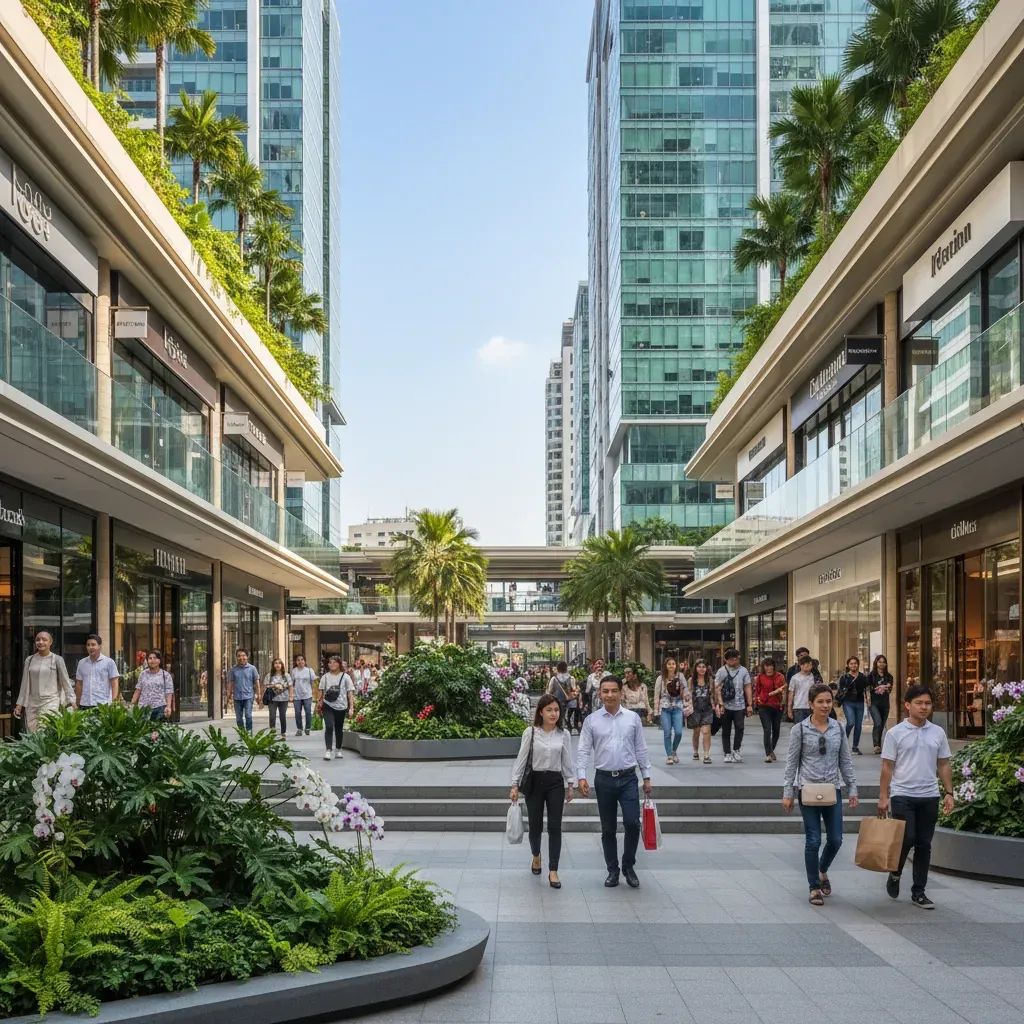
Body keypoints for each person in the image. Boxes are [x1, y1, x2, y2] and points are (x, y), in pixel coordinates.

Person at [782, 683, 859, 906]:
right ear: (810, 704)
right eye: (820, 702)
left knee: (836, 839)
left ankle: (822, 868)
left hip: (831, 789)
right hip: (807, 789)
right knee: (813, 839)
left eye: (828, 701)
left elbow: (845, 760)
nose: (825, 706)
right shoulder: (800, 729)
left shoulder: (838, 727)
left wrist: (852, 787)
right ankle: (814, 886)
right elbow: (791, 763)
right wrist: (788, 791)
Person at [878, 685, 954, 909]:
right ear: (907, 705)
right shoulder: (895, 733)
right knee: (907, 838)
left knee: (924, 844)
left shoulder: (937, 732)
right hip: (903, 794)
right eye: (919, 703)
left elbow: (944, 764)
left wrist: (949, 792)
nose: (924, 707)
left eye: (928, 703)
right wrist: (884, 797)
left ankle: (919, 891)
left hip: (929, 795)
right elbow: (887, 767)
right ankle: (895, 872)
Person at [576, 676, 652, 889]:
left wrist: (646, 776)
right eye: (605, 691)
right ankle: (612, 869)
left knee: (632, 823)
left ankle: (629, 865)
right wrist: (581, 775)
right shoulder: (592, 720)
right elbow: (583, 749)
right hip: (604, 779)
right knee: (608, 828)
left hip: (628, 778)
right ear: (599, 693)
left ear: (621, 693)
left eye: (614, 691)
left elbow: (641, 748)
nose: (609, 695)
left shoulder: (632, 719)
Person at [509, 694, 575, 889]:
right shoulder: (530, 732)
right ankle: (536, 855)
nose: (554, 714)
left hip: (555, 782)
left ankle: (553, 870)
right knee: (535, 825)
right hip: (534, 782)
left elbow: (567, 760)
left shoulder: (564, 735)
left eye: (556, 710)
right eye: (549, 710)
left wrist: (570, 784)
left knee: (555, 827)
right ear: (541, 712)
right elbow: (521, 759)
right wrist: (514, 785)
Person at [14, 631, 75, 732]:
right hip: (32, 703)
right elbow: (24, 683)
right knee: (33, 733)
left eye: (44, 639)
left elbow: (66, 682)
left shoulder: (57, 660)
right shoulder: (29, 660)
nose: (40, 642)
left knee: (44, 730)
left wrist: (71, 700)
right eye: (38, 639)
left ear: (50, 642)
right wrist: (19, 705)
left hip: (50, 701)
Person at [714, 648, 752, 763]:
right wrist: (720, 704)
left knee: (740, 728)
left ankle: (736, 749)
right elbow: (717, 688)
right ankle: (727, 753)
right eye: (730, 659)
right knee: (726, 730)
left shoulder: (743, 671)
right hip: (725, 705)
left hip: (740, 706)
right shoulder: (722, 671)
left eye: (735, 659)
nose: (733, 662)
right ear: (726, 660)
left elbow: (748, 687)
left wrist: (749, 704)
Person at [319, 654, 355, 761]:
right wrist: (319, 703)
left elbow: (350, 693)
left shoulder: (346, 677)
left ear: (339, 664)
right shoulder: (325, 677)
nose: (332, 664)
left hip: (341, 706)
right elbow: (321, 692)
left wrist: (351, 707)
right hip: (328, 705)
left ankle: (338, 749)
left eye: (334, 662)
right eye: (330, 662)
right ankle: (328, 750)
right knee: (329, 726)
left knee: (339, 729)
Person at [653, 656, 686, 764]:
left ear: (676, 665)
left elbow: (685, 691)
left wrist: (687, 698)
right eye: (669, 664)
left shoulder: (680, 676)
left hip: (677, 707)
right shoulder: (660, 678)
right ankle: (669, 756)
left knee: (678, 732)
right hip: (665, 708)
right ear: (665, 666)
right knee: (667, 733)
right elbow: (656, 695)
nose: (671, 666)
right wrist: (656, 711)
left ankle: (673, 751)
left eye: (673, 664)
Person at [754, 656, 787, 763]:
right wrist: (756, 702)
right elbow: (757, 691)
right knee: (767, 730)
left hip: (777, 706)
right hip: (764, 706)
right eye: (766, 666)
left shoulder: (780, 676)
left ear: (774, 666)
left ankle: (771, 749)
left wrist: (784, 702)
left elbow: (784, 690)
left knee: (776, 731)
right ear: (764, 667)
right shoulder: (760, 677)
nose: (769, 668)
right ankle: (768, 754)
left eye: (771, 666)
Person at [75, 633, 120, 709]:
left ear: (99, 646)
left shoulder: (109, 662)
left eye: (93, 645)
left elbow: (114, 683)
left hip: (103, 704)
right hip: (85, 704)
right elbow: (79, 683)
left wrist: (114, 702)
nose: (90, 647)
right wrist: (77, 702)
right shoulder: (82, 663)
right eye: (88, 645)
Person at [837, 656, 869, 754]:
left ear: (858, 665)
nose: (853, 665)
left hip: (859, 703)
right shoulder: (844, 677)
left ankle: (855, 747)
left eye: (855, 663)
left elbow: (866, 689)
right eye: (851, 663)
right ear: (848, 665)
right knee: (851, 722)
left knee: (858, 726)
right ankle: (843, 743)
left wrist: (868, 699)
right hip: (848, 702)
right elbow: (840, 690)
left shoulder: (863, 677)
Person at [131, 649, 174, 721]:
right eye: (150, 658)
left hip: (159, 708)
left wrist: (168, 707)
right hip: (143, 708)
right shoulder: (143, 674)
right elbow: (138, 690)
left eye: (155, 658)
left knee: (157, 731)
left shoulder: (165, 675)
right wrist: (132, 704)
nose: (152, 660)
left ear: (159, 660)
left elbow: (169, 692)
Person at [687, 659, 715, 763]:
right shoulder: (691, 680)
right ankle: (695, 751)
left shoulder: (710, 680)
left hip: (707, 708)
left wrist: (715, 706)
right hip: (695, 709)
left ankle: (706, 755)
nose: (702, 669)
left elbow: (713, 695)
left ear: (707, 668)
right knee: (696, 732)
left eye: (704, 667)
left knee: (706, 731)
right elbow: (687, 695)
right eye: (699, 667)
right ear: (695, 668)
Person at [227, 649, 259, 734]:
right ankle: (242, 733)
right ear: (236, 657)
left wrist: (259, 695)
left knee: (248, 715)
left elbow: (257, 682)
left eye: (243, 655)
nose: (241, 657)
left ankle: (248, 732)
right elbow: (230, 683)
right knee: (238, 718)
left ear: (247, 657)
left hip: (249, 696)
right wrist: (228, 696)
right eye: (239, 656)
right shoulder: (233, 669)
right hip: (237, 697)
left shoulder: (252, 668)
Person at [866, 655, 894, 754]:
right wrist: (868, 699)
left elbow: (889, 689)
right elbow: (868, 689)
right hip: (874, 703)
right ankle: (876, 745)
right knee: (877, 722)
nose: (881, 664)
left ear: (886, 664)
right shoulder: (871, 676)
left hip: (885, 704)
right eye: (879, 661)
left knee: (881, 725)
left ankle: (878, 745)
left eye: (883, 662)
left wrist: (884, 687)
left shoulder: (889, 676)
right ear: (876, 663)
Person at [262, 658, 292, 736]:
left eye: (279, 663)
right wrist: (274, 685)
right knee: (272, 715)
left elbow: (290, 686)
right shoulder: (269, 675)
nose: (277, 665)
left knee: (282, 716)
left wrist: (291, 696)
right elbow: (265, 685)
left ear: (282, 665)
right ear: (273, 665)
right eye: (275, 663)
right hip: (272, 699)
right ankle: (272, 731)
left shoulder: (286, 675)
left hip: (284, 699)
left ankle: (283, 732)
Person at [547, 661, 579, 732]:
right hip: (569, 701)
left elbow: (550, 691)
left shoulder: (554, 679)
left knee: (560, 715)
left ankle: (561, 727)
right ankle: (568, 727)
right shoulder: (571, 678)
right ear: (566, 668)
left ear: (558, 669)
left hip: (557, 701)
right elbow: (574, 689)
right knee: (567, 715)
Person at [291, 654, 317, 735]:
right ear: (296, 662)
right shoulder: (294, 671)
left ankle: (307, 728)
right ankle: (299, 729)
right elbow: (291, 683)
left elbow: (314, 681)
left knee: (308, 712)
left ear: (305, 661)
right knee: (297, 712)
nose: (300, 661)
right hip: (297, 695)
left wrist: (314, 692)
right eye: (298, 660)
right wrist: (291, 695)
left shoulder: (309, 670)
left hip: (307, 695)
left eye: (302, 659)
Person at [787, 654, 816, 724]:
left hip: (812, 707)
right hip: (798, 708)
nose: (807, 666)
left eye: (809, 664)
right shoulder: (795, 678)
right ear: (800, 665)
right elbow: (791, 694)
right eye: (804, 664)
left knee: (811, 731)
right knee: (800, 730)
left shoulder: (814, 678)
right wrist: (789, 710)